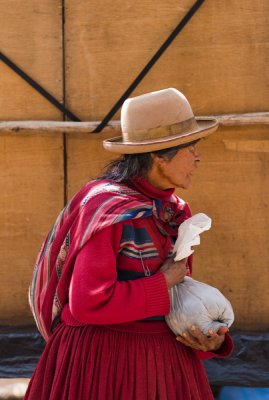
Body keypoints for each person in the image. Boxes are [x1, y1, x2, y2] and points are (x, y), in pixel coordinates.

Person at [25, 88, 233, 400]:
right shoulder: (106, 210)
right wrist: (162, 283)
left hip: (164, 365)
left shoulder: (175, 212)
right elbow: (87, 303)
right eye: (191, 148)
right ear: (159, 157)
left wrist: (208, 339)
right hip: (101, 365)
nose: (198, 156)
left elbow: (177, 298)